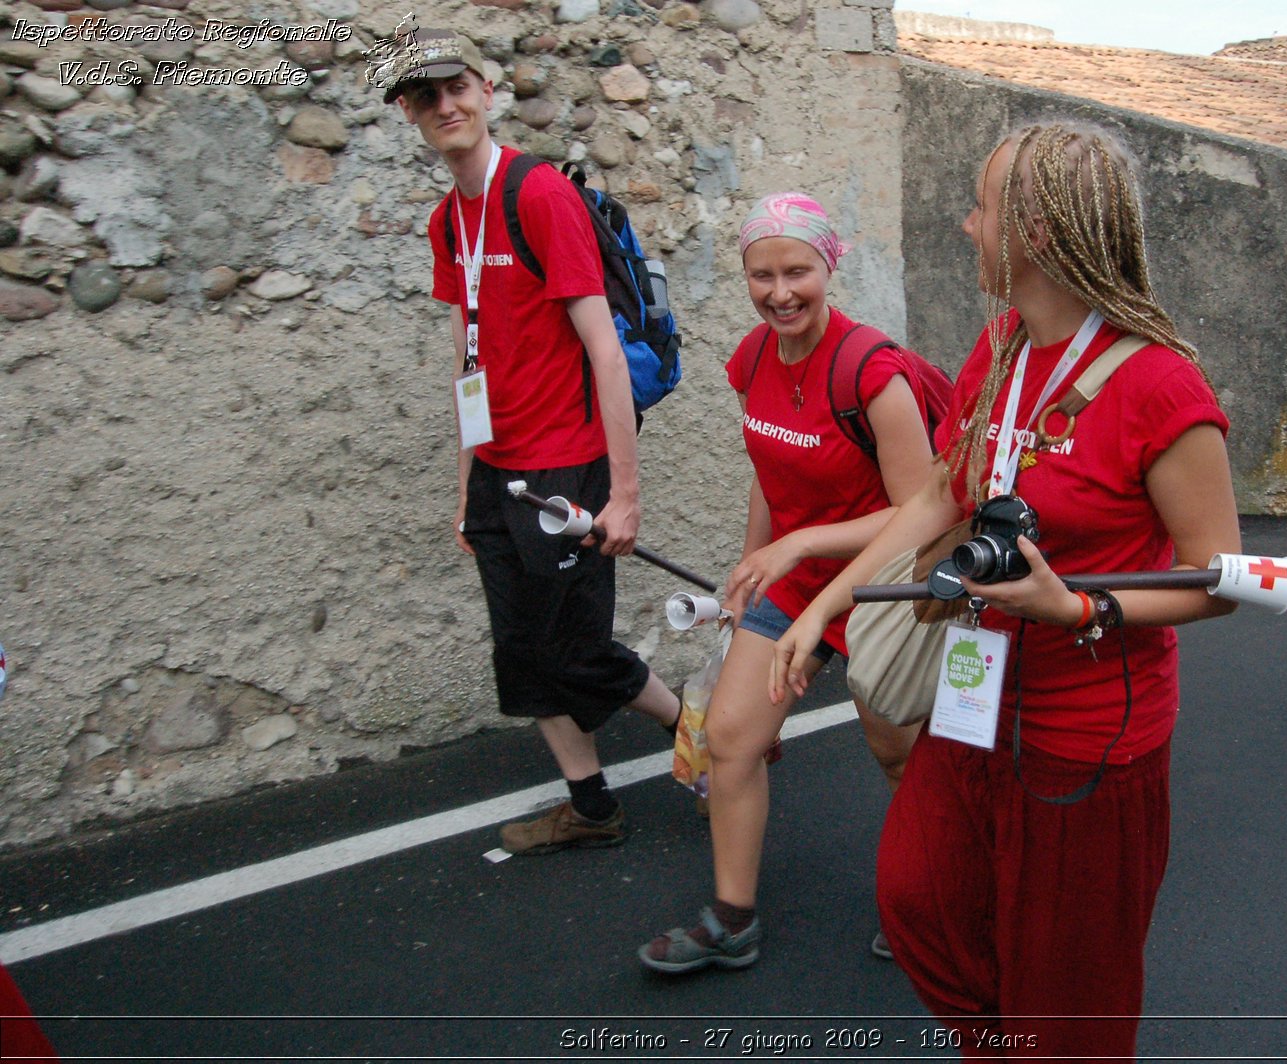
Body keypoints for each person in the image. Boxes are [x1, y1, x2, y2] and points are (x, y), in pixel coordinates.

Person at [771, 122, 1242, 1059]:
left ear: (1033, 230)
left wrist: (1076, 609)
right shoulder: (1003, 349)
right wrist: (837, 596)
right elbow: (945, 488)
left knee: (1069, 995)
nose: (966, 225)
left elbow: (1219, 580)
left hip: (1089, 739)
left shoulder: (1161, 388)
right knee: (920, 901)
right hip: (977, 704)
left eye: (982, 208)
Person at [386, 29, 682, 854]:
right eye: (424, 98)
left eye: (455, 89)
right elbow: (466, 355)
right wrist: (464, 484)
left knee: (577, 647)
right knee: (520, 652)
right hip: (498, 470)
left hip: (565, 462)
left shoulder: (538, 193)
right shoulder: (450, 221)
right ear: (410, 115)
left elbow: (602, 353)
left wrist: (624, 494)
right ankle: (591, 807)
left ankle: (696, 733)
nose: (444, 107)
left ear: (484, 92)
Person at [637, 193, 930, 974]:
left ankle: (931, 905)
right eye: (760, 275)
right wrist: (750, 564)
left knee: (897, 753)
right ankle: (732, 918)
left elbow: (919, 510)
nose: (780, 291)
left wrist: (798, 544)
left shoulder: (873, 372)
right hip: (797, 581)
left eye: (796, 270)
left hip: (882, 584)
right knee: (731, 740)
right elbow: (770, 471)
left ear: (828, 266)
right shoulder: (751, 360)